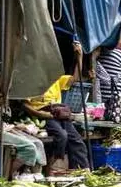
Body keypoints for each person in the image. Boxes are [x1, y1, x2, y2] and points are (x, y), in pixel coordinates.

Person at [23, 42, 90, 170]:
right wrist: (41, 114)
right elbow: (25, 105)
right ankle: (50, 167)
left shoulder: (56, 79)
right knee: (62, 136)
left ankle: (81, 170)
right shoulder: (31, 82)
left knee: (77, 140)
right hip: (46, 114)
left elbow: (76, 78)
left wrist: (80, 56)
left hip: (60, 113)